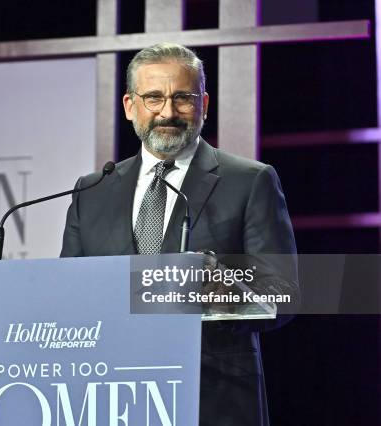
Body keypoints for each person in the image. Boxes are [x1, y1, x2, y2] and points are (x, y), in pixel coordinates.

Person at [61, 43, 298, 426]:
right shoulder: (92, 190)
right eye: (153, 98)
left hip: (212, 400)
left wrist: (227, 295)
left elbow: (284, 292)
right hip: (110, 398)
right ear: (129, 106)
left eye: (182, 98)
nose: (167, 112)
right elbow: (66, 293)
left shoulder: (250, 180)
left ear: (203, 103)